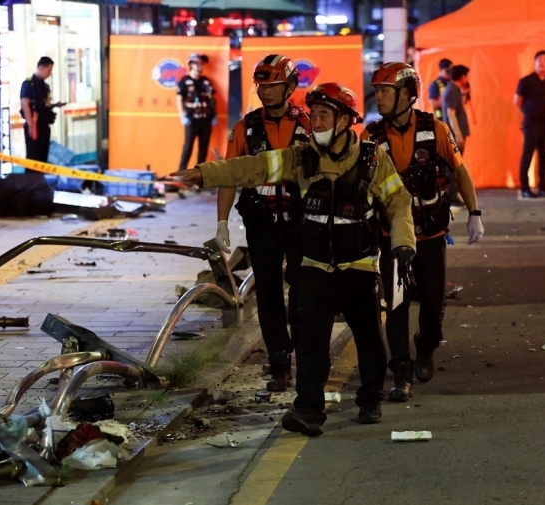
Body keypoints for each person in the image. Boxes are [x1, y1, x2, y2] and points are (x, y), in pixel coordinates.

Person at [173, 82, 416, 436]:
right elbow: (252, 168)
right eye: (314, 114)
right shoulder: (301, 156)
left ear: (345, 120)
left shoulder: (373, 158)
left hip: (359, 266)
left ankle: (369, 398)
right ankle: (308, 410)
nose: (315, 121)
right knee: (310, 341)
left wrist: (403, 244)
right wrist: (205, 174)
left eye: (323, 115)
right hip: (315, 267)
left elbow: (399, 204)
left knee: (368, 339)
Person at [365, 62, 483, 402]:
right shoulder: (370, 137)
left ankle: (426, 345)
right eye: (378, 92)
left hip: (432, 235)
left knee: (433, 306)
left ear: (407, 94)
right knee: (396, 305)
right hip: (393, 239)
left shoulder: (437, 129)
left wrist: (474, 212)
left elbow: (460, 172)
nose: (380, 98)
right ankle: (401, 372)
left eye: (386, 91)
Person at [215, 55, 310, 392]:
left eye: (272, 86)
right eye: (261, 86)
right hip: (261, 224)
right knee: (268, 294)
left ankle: (307, 358)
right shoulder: (245, 128)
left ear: (289, 86)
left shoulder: (310, 125)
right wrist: (221, 222)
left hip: (301, 223)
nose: (265, 92)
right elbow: (228, 176)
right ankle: (280, 362)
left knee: (304, 291)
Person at [514, 50, 545, 198]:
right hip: (531, 122)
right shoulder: (526, 81)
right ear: (535, 62)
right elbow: (517, 101)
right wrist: (528, 113)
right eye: (539, 59)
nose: (542, 62)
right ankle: (525, 189)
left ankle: (543, 188)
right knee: (528, 155)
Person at [20, 56, 65, 166]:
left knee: (43, 157)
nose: (50, 73)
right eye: (49, 70)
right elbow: (25, 104)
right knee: (33, 157)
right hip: (34, 125)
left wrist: (54, 105)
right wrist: (31, 125)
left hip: (44, 125)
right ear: (41, 68)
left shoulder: (45, 86)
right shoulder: (28, 84)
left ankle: (41, 181)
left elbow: (45, 104)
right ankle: (31, 181)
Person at [176, 53, 217, 171]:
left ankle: (199, 174)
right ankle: (181, 172)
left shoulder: (206, 81)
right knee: (188, 147)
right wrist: (182, 115)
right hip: (191, 119)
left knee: (203, 148)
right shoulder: (184, 81)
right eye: (199, 63)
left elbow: (211, 99)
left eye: (202, 64)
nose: (201, 66)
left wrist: (214, 115)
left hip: (206, 120)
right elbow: (179, 98)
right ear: (191, 64)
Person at [441, 65, 471, 154]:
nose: (467, 79)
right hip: (454, 135)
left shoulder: (455, 89)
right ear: (462, 77)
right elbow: (451, 114)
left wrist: (464, 93)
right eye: (467, 76)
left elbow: (458, 105)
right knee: (455, 164)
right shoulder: (452, 90)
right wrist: (458, 135)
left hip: (455, 134)